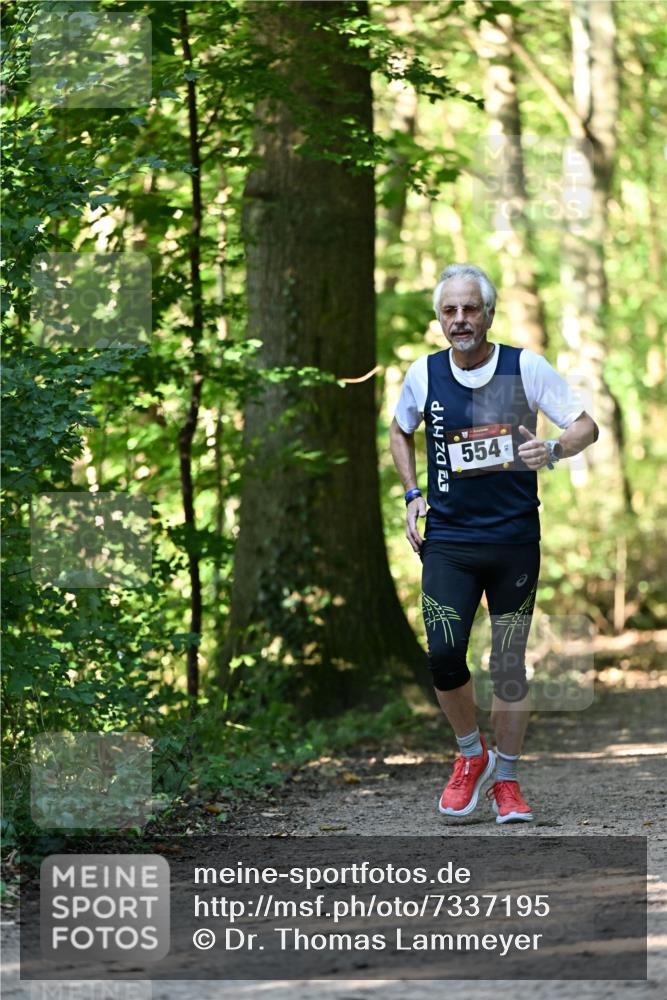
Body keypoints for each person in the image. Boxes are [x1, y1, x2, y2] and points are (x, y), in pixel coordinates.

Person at [390, 263, 598, 824]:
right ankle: (470, 755)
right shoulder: (425, 374)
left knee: (507, 664)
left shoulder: (524, 367)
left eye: (470, 308)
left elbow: (586, 426)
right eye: (450, 310)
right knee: (443, 654)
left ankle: (506, 779)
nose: (460, 319)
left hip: (513, 540)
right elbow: (399, 429)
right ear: (440, 318)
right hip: (449, 540)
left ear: (489, 313)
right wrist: (412, 494)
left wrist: (554, 450)